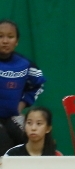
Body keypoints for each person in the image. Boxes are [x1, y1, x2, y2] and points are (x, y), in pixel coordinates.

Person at [0, 20, 46, 155]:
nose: (5, 41)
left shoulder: (25, 64)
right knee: (3, 141)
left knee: (30, 138)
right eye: (0, 36)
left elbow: (38, 85)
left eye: (10, 36)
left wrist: (21, 105)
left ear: (17, 41)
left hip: (12, 116)